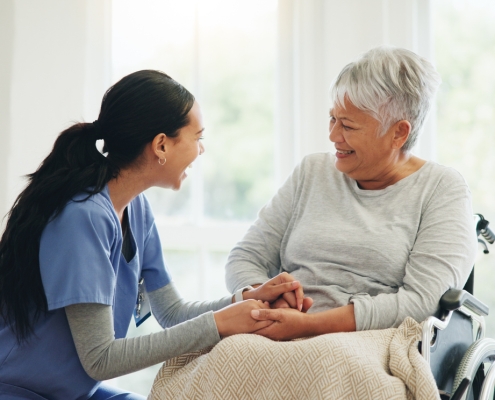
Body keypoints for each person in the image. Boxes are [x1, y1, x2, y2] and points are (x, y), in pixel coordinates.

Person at [0, 70, 305, 400]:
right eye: (197, 137)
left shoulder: (137, 209)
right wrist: (220, 324)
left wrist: (248, 300)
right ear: (161, 144)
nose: (201, 150)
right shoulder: (83, 216)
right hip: (20, 390)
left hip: (72, 393)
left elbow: (171, 313)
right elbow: (100, 359)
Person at [225, 46, 478, 340]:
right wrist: (262, 296)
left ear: (398, 133)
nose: (333, 136)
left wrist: (309, 325)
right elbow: (245, 257)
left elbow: (420, 302)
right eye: (333, 119)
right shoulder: (312, 172)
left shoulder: (442, 189)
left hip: (372, 343)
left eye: (347, 126)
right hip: (277, 330)